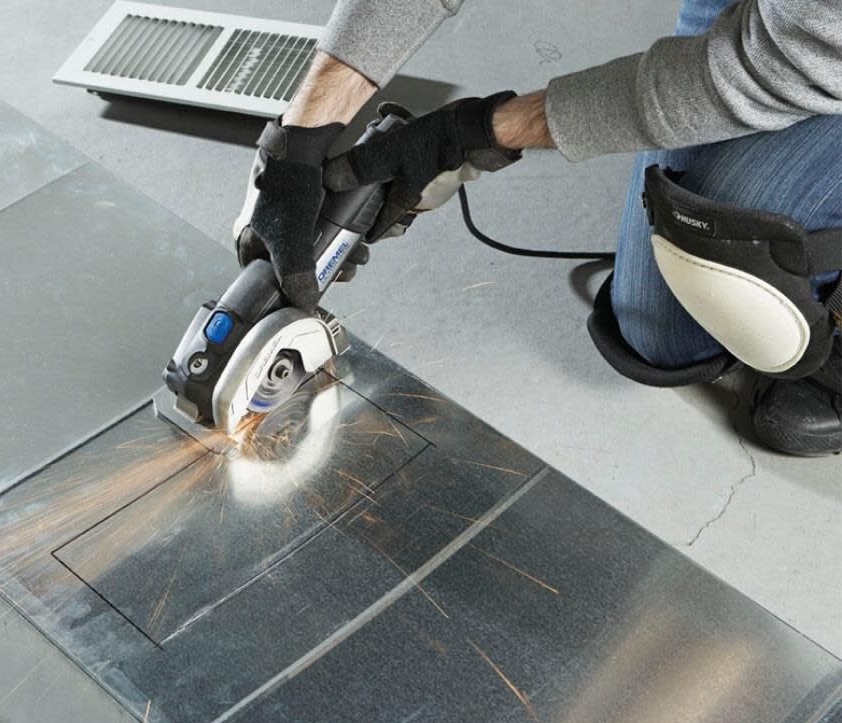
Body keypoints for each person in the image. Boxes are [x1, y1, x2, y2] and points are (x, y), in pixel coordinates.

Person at [233, 0, 842, 456]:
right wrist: (301, 138)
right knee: (661, 330)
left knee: (719, 279)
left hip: (817, 40)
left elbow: (780, 63)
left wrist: (480, 133)